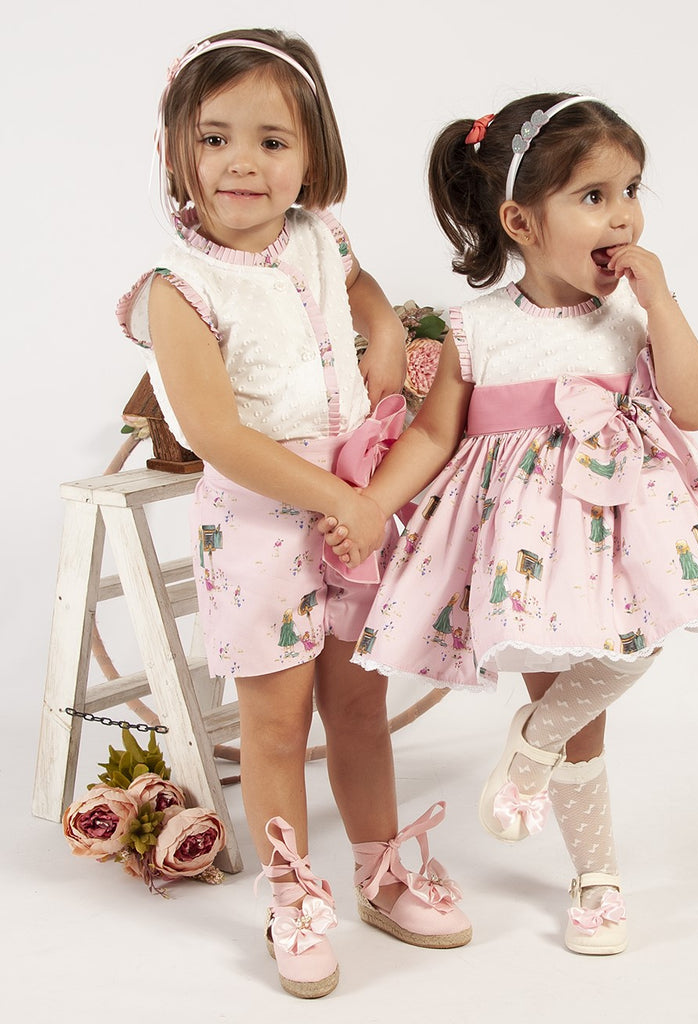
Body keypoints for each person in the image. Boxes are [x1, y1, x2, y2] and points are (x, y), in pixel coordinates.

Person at [321, 92, 698, 956]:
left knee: (637, 644)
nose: (624, 216)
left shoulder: (631, 317)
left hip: (625, 527)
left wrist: (663, 304)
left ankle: (533, 747)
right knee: (574, 712)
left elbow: (696, 405)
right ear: (521, 222)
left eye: (631, 190)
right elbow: (432, 436)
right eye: (594, 196)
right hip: (527, 547)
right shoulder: (477, 330)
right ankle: (596, 876)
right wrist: (373, 503)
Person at [117, 28, 471, 1000]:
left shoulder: (320, 236)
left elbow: (359, 288)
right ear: (177, 151)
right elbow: (217, 434)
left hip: (355, 497)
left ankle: (379, 870)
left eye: (271, 141)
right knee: (276, 724)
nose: (242, 162)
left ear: (312, 154)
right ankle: (291, 895)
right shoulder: (177, 289)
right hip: (262, 522)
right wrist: (346, 500)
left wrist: (384, 330)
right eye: (215, 137)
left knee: (357, 704)